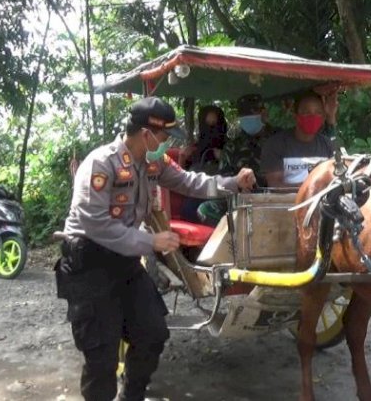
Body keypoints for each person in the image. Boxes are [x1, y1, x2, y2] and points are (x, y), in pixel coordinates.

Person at [57, 96, 256, 401]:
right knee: (102, 356)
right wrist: (150, 241)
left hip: (124, 262)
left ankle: (131, 397)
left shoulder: (153, 161)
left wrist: (232, 182)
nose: (167, 143)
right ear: (146, 133)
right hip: (90, 263)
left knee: (152, 334)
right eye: (164, 136)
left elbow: (189, 182)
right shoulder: (100, 164)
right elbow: (96, 225)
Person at [195, 94, 275, 226]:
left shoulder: (279, 139)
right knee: (205, 208)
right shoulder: (233, 146)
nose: (248, 117)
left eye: (252, 112)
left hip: (274, 199)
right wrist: (238, 188)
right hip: (240, 200)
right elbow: (222, 181)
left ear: (263, 113)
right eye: (244, 113)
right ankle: (232, 242)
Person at [261, 90, 338, 188]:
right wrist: (310, 188)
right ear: (296, 116)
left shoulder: (328, 145)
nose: (312, 117)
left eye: (318, 113)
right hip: (285, 202)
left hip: (321, 202)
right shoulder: (276, 144)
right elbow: (275, 184)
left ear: (323, 117)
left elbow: (336, 179)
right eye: (306, 112)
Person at [179, 106, 228, 222]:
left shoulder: (230, 148)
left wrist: (224, 157)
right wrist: (182, 158)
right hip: (194, 193)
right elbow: (178, 180)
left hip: (219, 194)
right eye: (208, 125)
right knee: (189, 209)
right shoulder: (194, 150)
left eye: (214, 125)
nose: (211, 130)